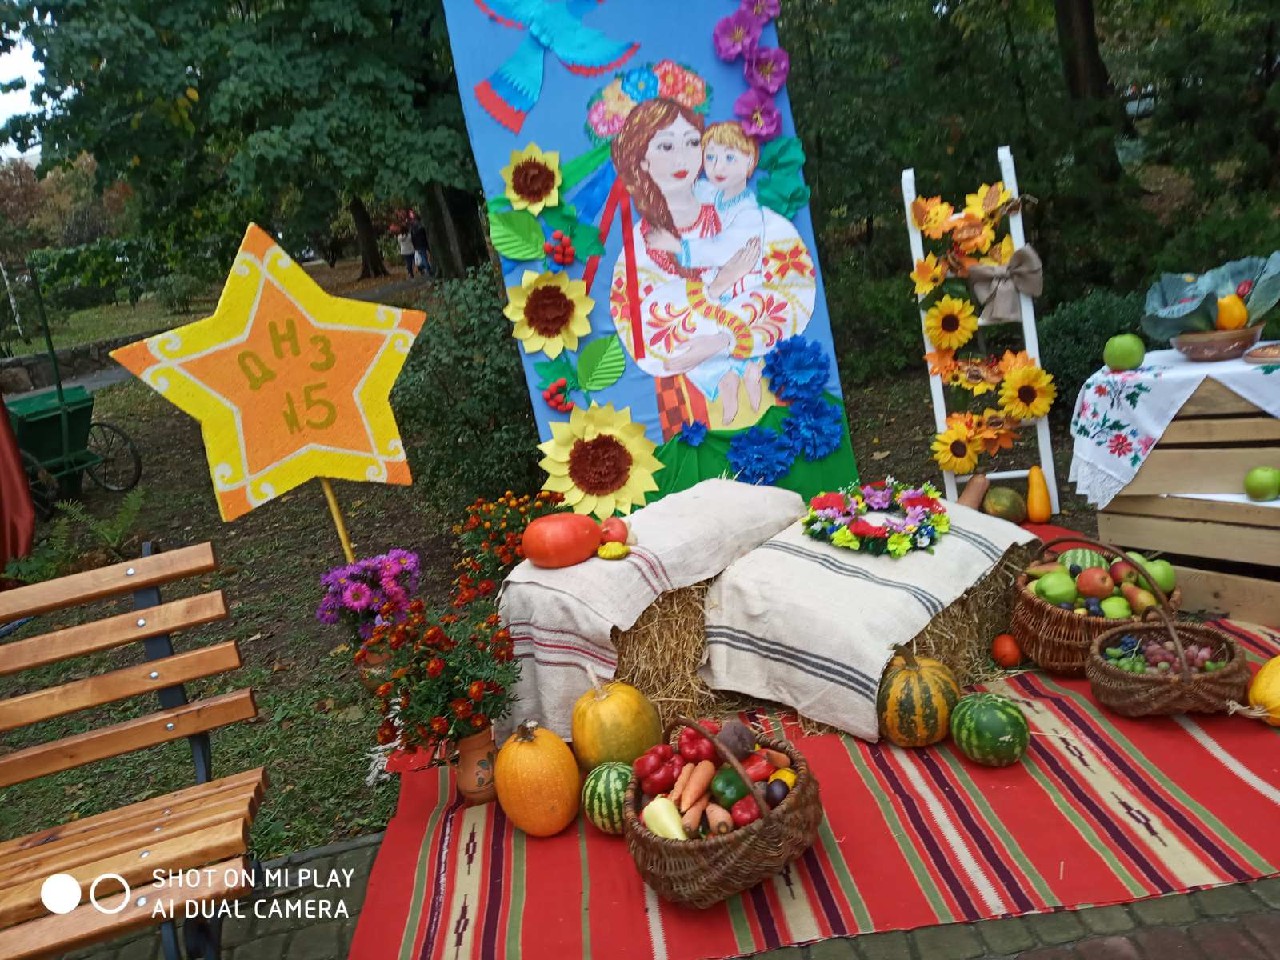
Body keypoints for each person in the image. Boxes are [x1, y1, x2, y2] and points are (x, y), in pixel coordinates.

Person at [609, 98, 817, 437]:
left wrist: (724, 339)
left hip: (771, 383)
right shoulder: (641, 245)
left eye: (692, 143)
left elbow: (795, 292)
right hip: (689, 406)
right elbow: (642, 333)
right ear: (642, 159)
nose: (682, 158)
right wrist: (717, 285)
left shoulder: (744, 213)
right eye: (666, 146)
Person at [650, 122, 766, 425]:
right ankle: (725, 380)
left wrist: (677, 246)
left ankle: (751, 370)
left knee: (736, 323)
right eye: (711, 157)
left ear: (750, 163)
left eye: (729, 158)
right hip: (715, 280)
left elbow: (723, 248)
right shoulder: (713, 193)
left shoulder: (748, 210)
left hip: (744, 281)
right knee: (694, 334)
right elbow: (688, 191)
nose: (718, 167)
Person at [408, 211, 432, 278]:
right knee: (424, 257)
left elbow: (412, 239)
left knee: (423, 257)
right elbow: (425, 236)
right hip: (423, 244)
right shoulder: (421, 226)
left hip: (418, 245)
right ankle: (428, 269)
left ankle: (425, 268)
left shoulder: (412, 229)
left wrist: (414, 246)